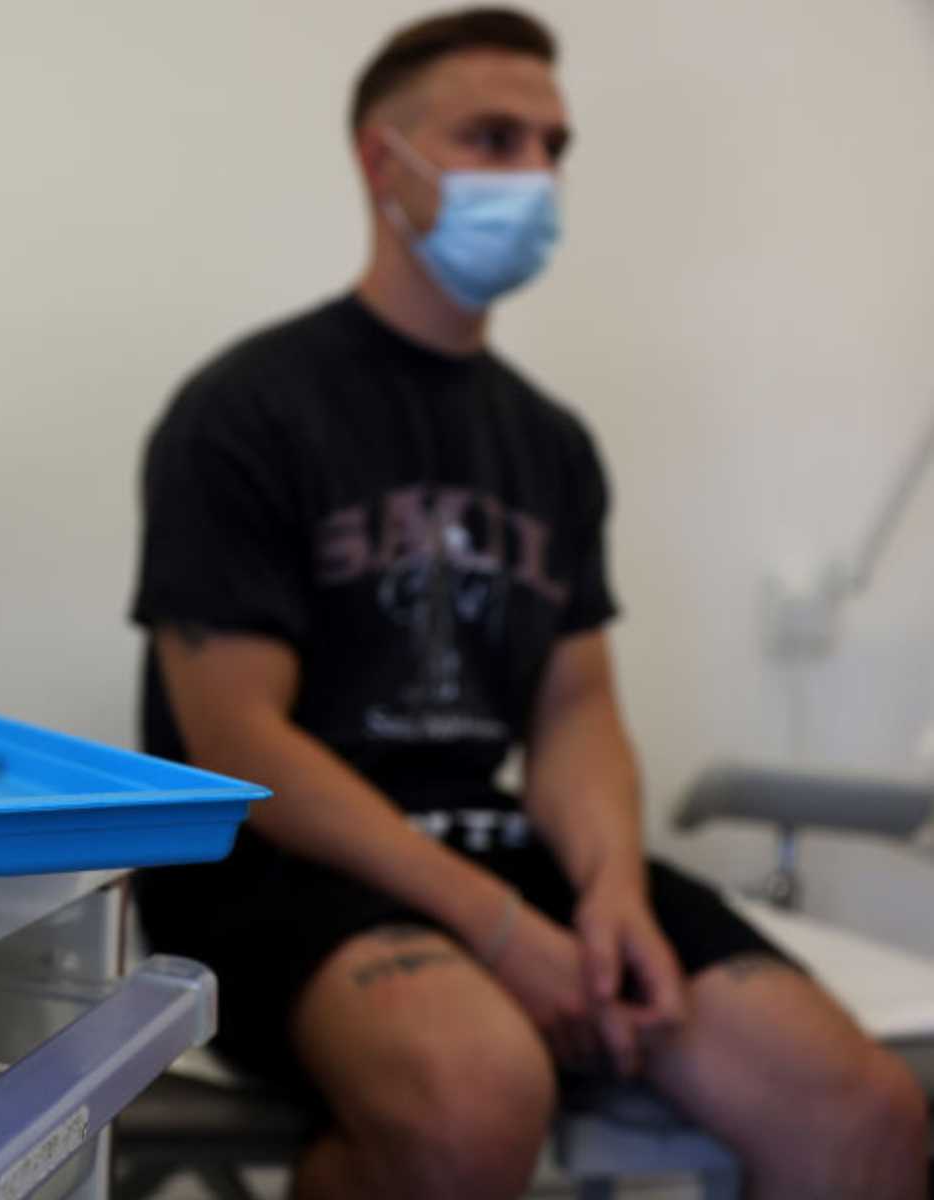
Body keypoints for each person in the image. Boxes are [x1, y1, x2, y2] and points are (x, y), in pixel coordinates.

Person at [129, 8, 927, 1198]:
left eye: (552, 147)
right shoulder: (245, 412)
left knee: (863, 1113)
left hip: (496, 842)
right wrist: (505, 934)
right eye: (493, 139)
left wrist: (606, 898)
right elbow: (238, 743)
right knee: (474, 1093)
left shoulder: (550, 446)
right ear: (378, 161)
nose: (535, 177)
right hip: (268, 868)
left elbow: (575, 710)